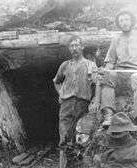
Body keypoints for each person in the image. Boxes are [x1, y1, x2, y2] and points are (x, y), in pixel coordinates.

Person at [97, 9, 137, 131]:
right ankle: (109, 115)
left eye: (126, 19)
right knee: (108, 77)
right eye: (121, 20)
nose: (124, 23)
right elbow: (111, 60)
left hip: (135, 73)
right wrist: (106, 71)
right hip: (120, 74)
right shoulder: (116, 39)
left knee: (136, 77)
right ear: (119, 23)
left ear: (131, 21)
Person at [53, 36, 99, 168]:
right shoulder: (65, 65)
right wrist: (61, 94)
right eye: (71, 46)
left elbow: (97, 84)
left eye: (76, 45)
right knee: (64, 137)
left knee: (81, 138)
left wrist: (95, 99)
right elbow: (56, 81)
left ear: (82, 47)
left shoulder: (91, 65)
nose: (74, 48)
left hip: (83, 105)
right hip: (66, 105)